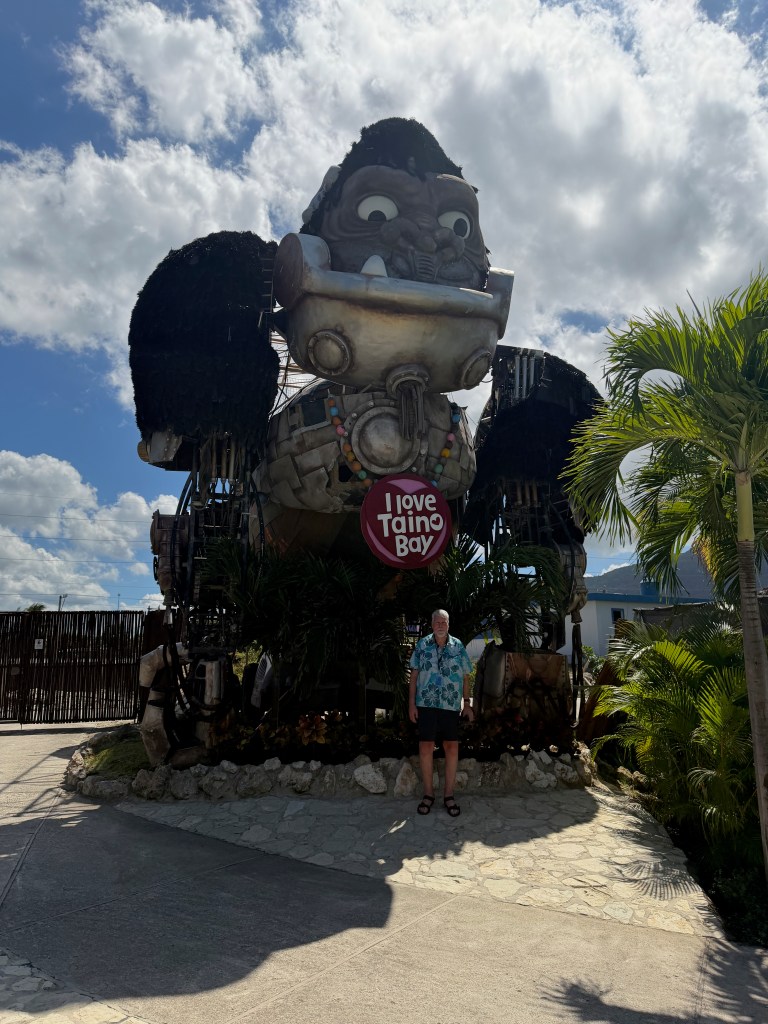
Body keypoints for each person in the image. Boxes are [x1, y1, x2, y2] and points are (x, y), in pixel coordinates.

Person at [408, 609, 474, 816]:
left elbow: (465, 676)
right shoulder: (422, 645)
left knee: (451, 747)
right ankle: (428, 794)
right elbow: (414, 675)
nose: (440, 625)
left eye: (443, 621)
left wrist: (467, 704)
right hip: (426, 704)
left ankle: (448, 795)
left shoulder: (458, 646)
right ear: (431, 624)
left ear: (448, 624)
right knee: (426, 747)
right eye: (436, 621)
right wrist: (411, 704)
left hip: (450, 705)